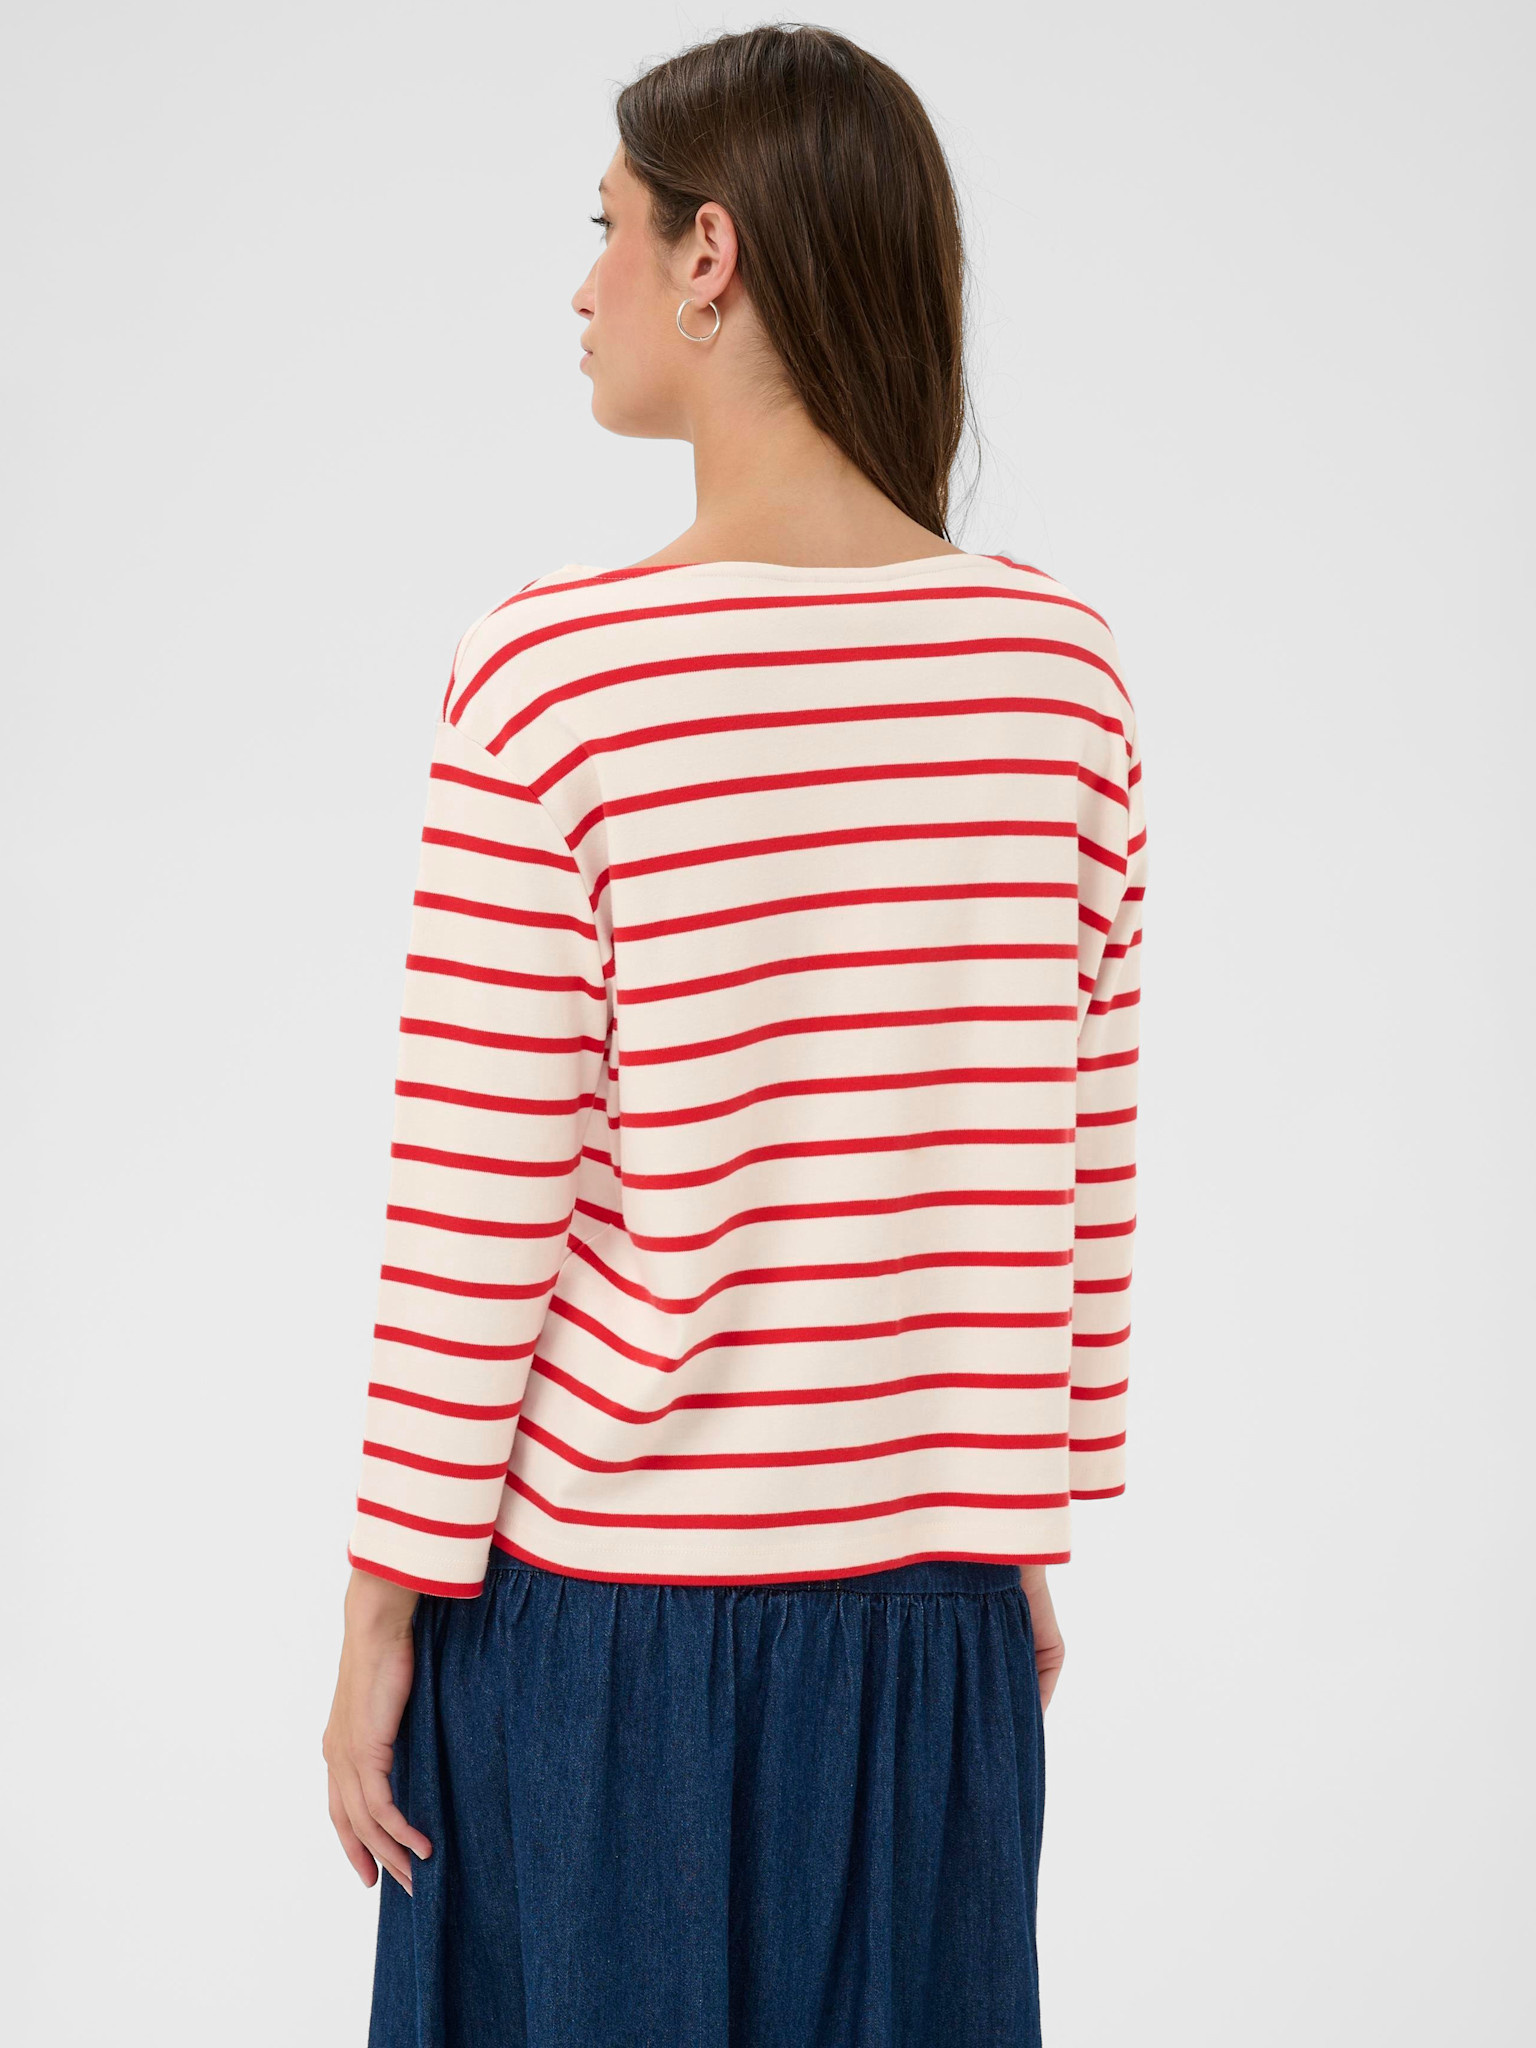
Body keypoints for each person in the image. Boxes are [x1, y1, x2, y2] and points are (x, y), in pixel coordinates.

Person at [322, 23, 1148, 2047]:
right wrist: (1008, 1511)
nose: (579, 284)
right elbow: (1070, 1158)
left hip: (612, 1641)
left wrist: (377, 1610)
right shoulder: (1060, 671)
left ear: (713, 256)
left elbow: (482, 1199)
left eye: (607, 226)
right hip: (936, 1633)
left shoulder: (558, 675)